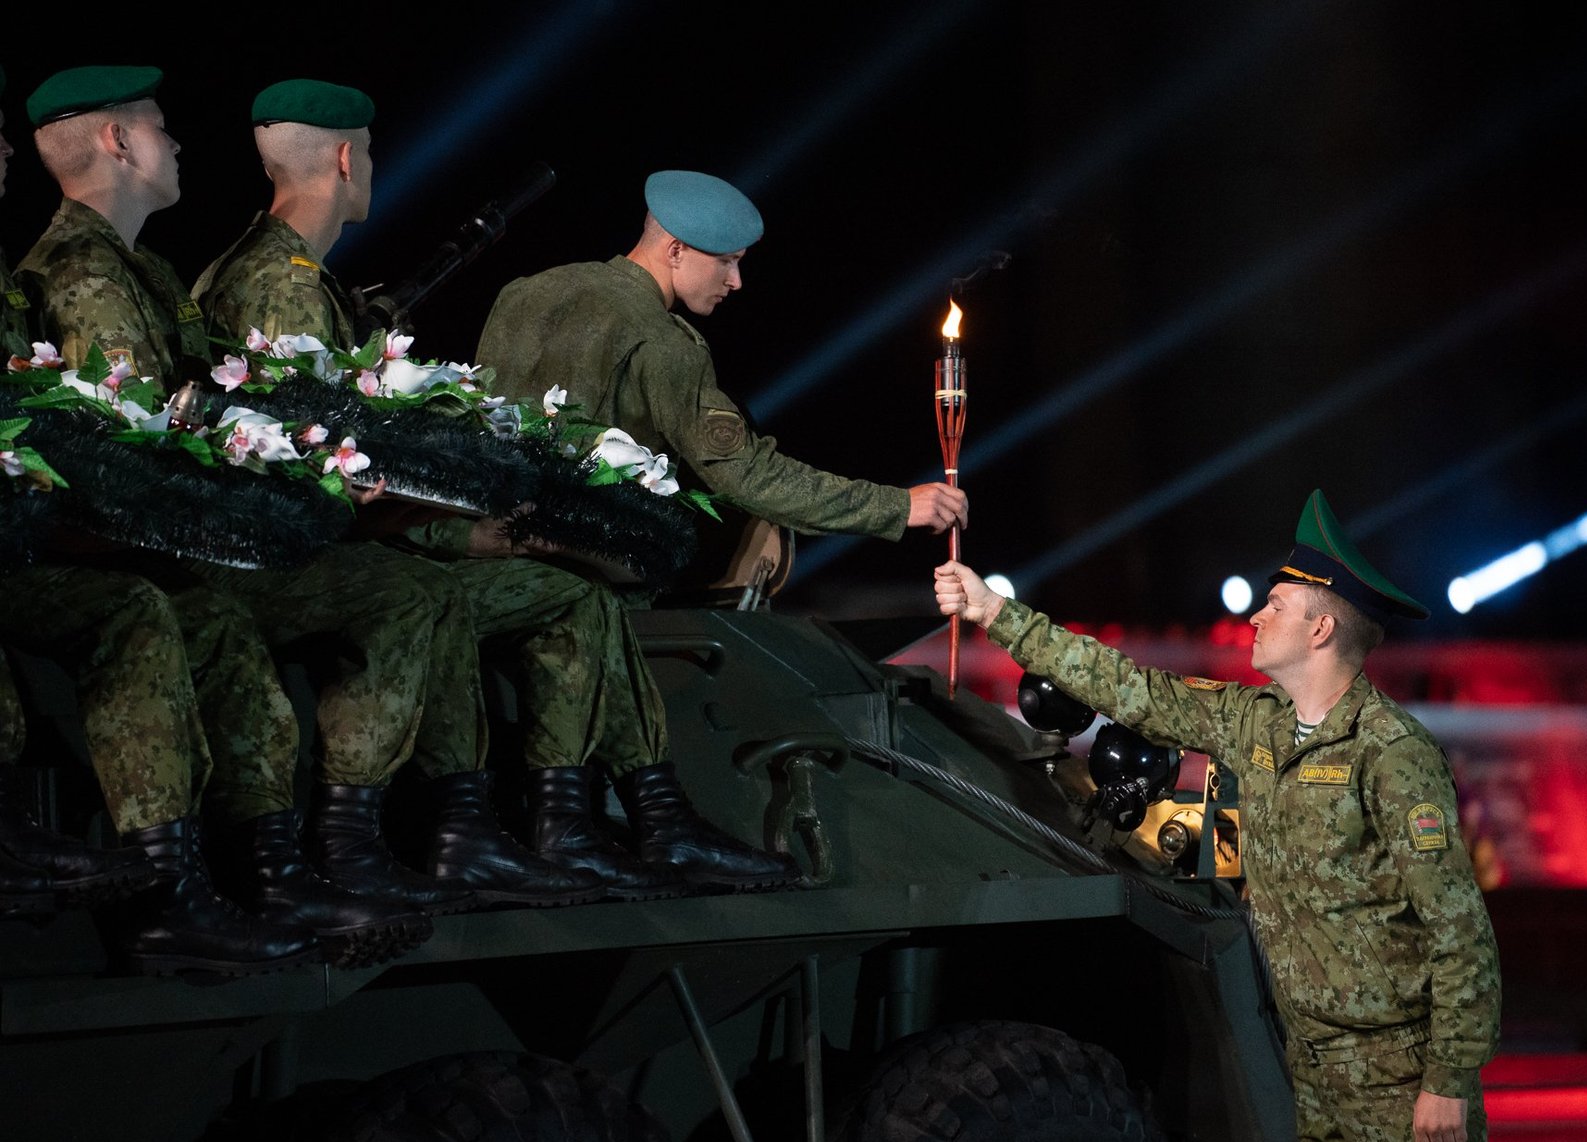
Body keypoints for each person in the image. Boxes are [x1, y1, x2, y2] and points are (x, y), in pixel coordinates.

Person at [18, 64, 599, 927]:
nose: (175, 143)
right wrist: (325, 488)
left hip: (214, 533)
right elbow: (139, 447)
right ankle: (347, 847)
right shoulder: (88, 275)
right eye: (160, 127)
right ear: (118, 140)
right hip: (184, 548)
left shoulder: (141, 270)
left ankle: (338, 852)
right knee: (405, 591)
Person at [193, 80, 788, 895]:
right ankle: (469, 828)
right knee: (458, 592)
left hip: (297, 543)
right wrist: (453, 523)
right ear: (346, 158)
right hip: (288, 560)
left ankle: (612, 821)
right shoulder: (286, 283)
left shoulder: (264, 270)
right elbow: (315, 458)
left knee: (571, 592)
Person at [933, 490, 1501, 1142]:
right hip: (1308, 1062)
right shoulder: (1253, 723)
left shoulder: (1392, 751)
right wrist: (994, 611)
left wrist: (1447, 1080)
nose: (1257, 616)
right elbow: (1129, 687)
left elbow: (1459, 928)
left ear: (1320, 630)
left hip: (1395, 1071)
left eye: (1276, 606)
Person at [473, 168, 968, 885]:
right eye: (726, 262)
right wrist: (898, 507)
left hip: (485, 558)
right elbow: (748, 475)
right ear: (674, 249)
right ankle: (639, 824)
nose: (737, 282)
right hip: (590, 587)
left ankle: (635, 821)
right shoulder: (661, 339)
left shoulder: (525, 293)